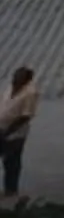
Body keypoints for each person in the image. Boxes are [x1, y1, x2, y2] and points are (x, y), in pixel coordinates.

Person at [0, 67, 35, 198]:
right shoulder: (10, 87)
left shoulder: (30, 93)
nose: (15, 79)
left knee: (11, 161)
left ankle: (11, 190)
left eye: (19, 77)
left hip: (15, 134)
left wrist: (8, 131)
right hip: (1, 128)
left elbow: (26, 116)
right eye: (15, 76)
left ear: (26, 80)